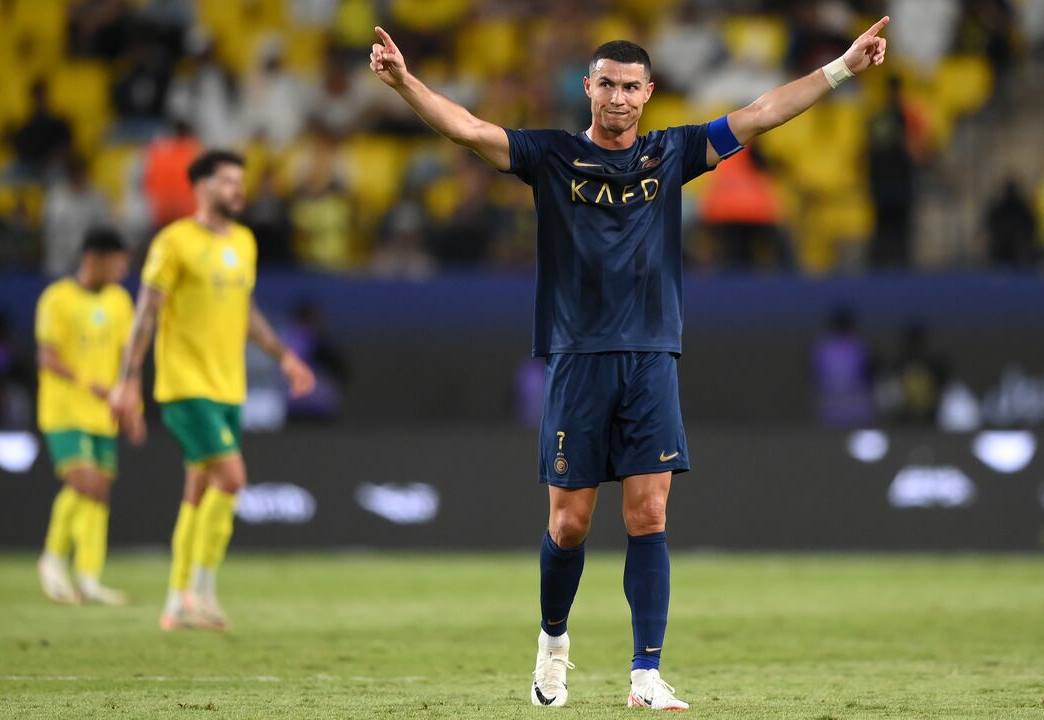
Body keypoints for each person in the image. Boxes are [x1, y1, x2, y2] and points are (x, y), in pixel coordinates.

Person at [369, 17, 890, 710]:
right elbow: (467, 129)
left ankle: (646, 673)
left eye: (631, 87)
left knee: (649, 514)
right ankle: (553, 643)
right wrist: (405, 84)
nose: (618, 97)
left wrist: (843, 69)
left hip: (650, 356)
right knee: (569, 525)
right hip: (578, 356)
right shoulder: (551, 156)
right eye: (607, 84)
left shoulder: (671, 154)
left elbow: (763, 114)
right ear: (588, 87)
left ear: (649, 94)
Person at [110, 150, 315, 632]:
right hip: (186, 385)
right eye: (227, 181)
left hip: (228, 387)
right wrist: (127, 380)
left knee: (199, 490)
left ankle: (176, 600)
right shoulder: (174, 242)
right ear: (200, 186)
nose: (237, 190)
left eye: (240, 181)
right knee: (233, 479)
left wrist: (284, 357)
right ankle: (199, 591)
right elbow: (146, 314)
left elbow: (244, 309)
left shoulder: (243, 241)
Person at [35, 228, 143, 605]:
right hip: (64, 409)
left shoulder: (119, 302)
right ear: (93, 259)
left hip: (104, 413)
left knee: (99, 491)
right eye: (118, 262)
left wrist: (134, 407)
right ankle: (51, 560)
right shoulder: (57, 299)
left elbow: (128, 362)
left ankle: (89, 578)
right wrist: (89, 384)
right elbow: (48, 357)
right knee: (83, 482)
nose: (123, 269)